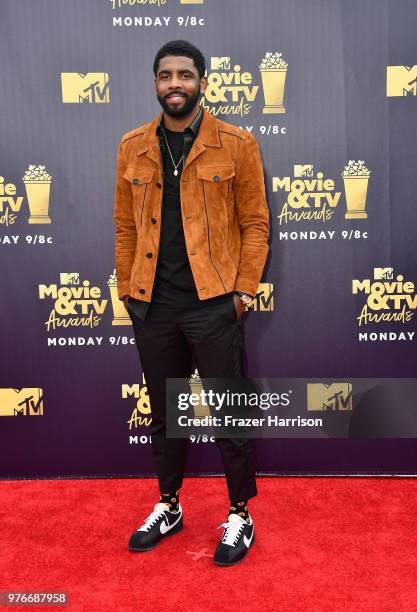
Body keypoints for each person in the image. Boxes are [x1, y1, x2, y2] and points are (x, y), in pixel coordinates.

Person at [113, 39, 269, 566]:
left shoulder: (236, 143)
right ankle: (169, 504)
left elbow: (256, 225)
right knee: (164, 413)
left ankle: (239, 513)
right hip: (152, 305)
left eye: (184, 74)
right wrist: (127, 291)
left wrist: (242, 294)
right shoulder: (132, 145)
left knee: (229, 413)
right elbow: (124, 228)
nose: (174, 84)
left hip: (214, 302)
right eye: (165, 76)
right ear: (155, 83)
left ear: (203, 81)